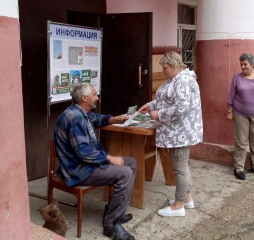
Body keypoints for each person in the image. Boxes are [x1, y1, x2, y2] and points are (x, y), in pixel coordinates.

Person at [54, 83, 136, 240]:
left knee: (131, 162)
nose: (97, 97)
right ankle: (111, 225)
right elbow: (84, 152)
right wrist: (109, 157)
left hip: (88, 164)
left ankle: (112, 210)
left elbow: (97, 119)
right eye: (95, 95)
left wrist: (115, 119)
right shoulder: (74, 118)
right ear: (85, 98)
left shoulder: (82, 113)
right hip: (78, 170)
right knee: (125, 173)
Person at [138, 51, 203, 217]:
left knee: (180, 169)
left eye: (165, 67)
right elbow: (167, 99)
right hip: (180, 131)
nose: (163, 70)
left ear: (174, 66)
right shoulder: (177, 79)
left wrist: (158, 114)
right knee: (182, 167)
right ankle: (186, 198)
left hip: (180, 132)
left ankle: (178, 205)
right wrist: (150, 105)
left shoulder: (182, 81)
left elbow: (181, 107)